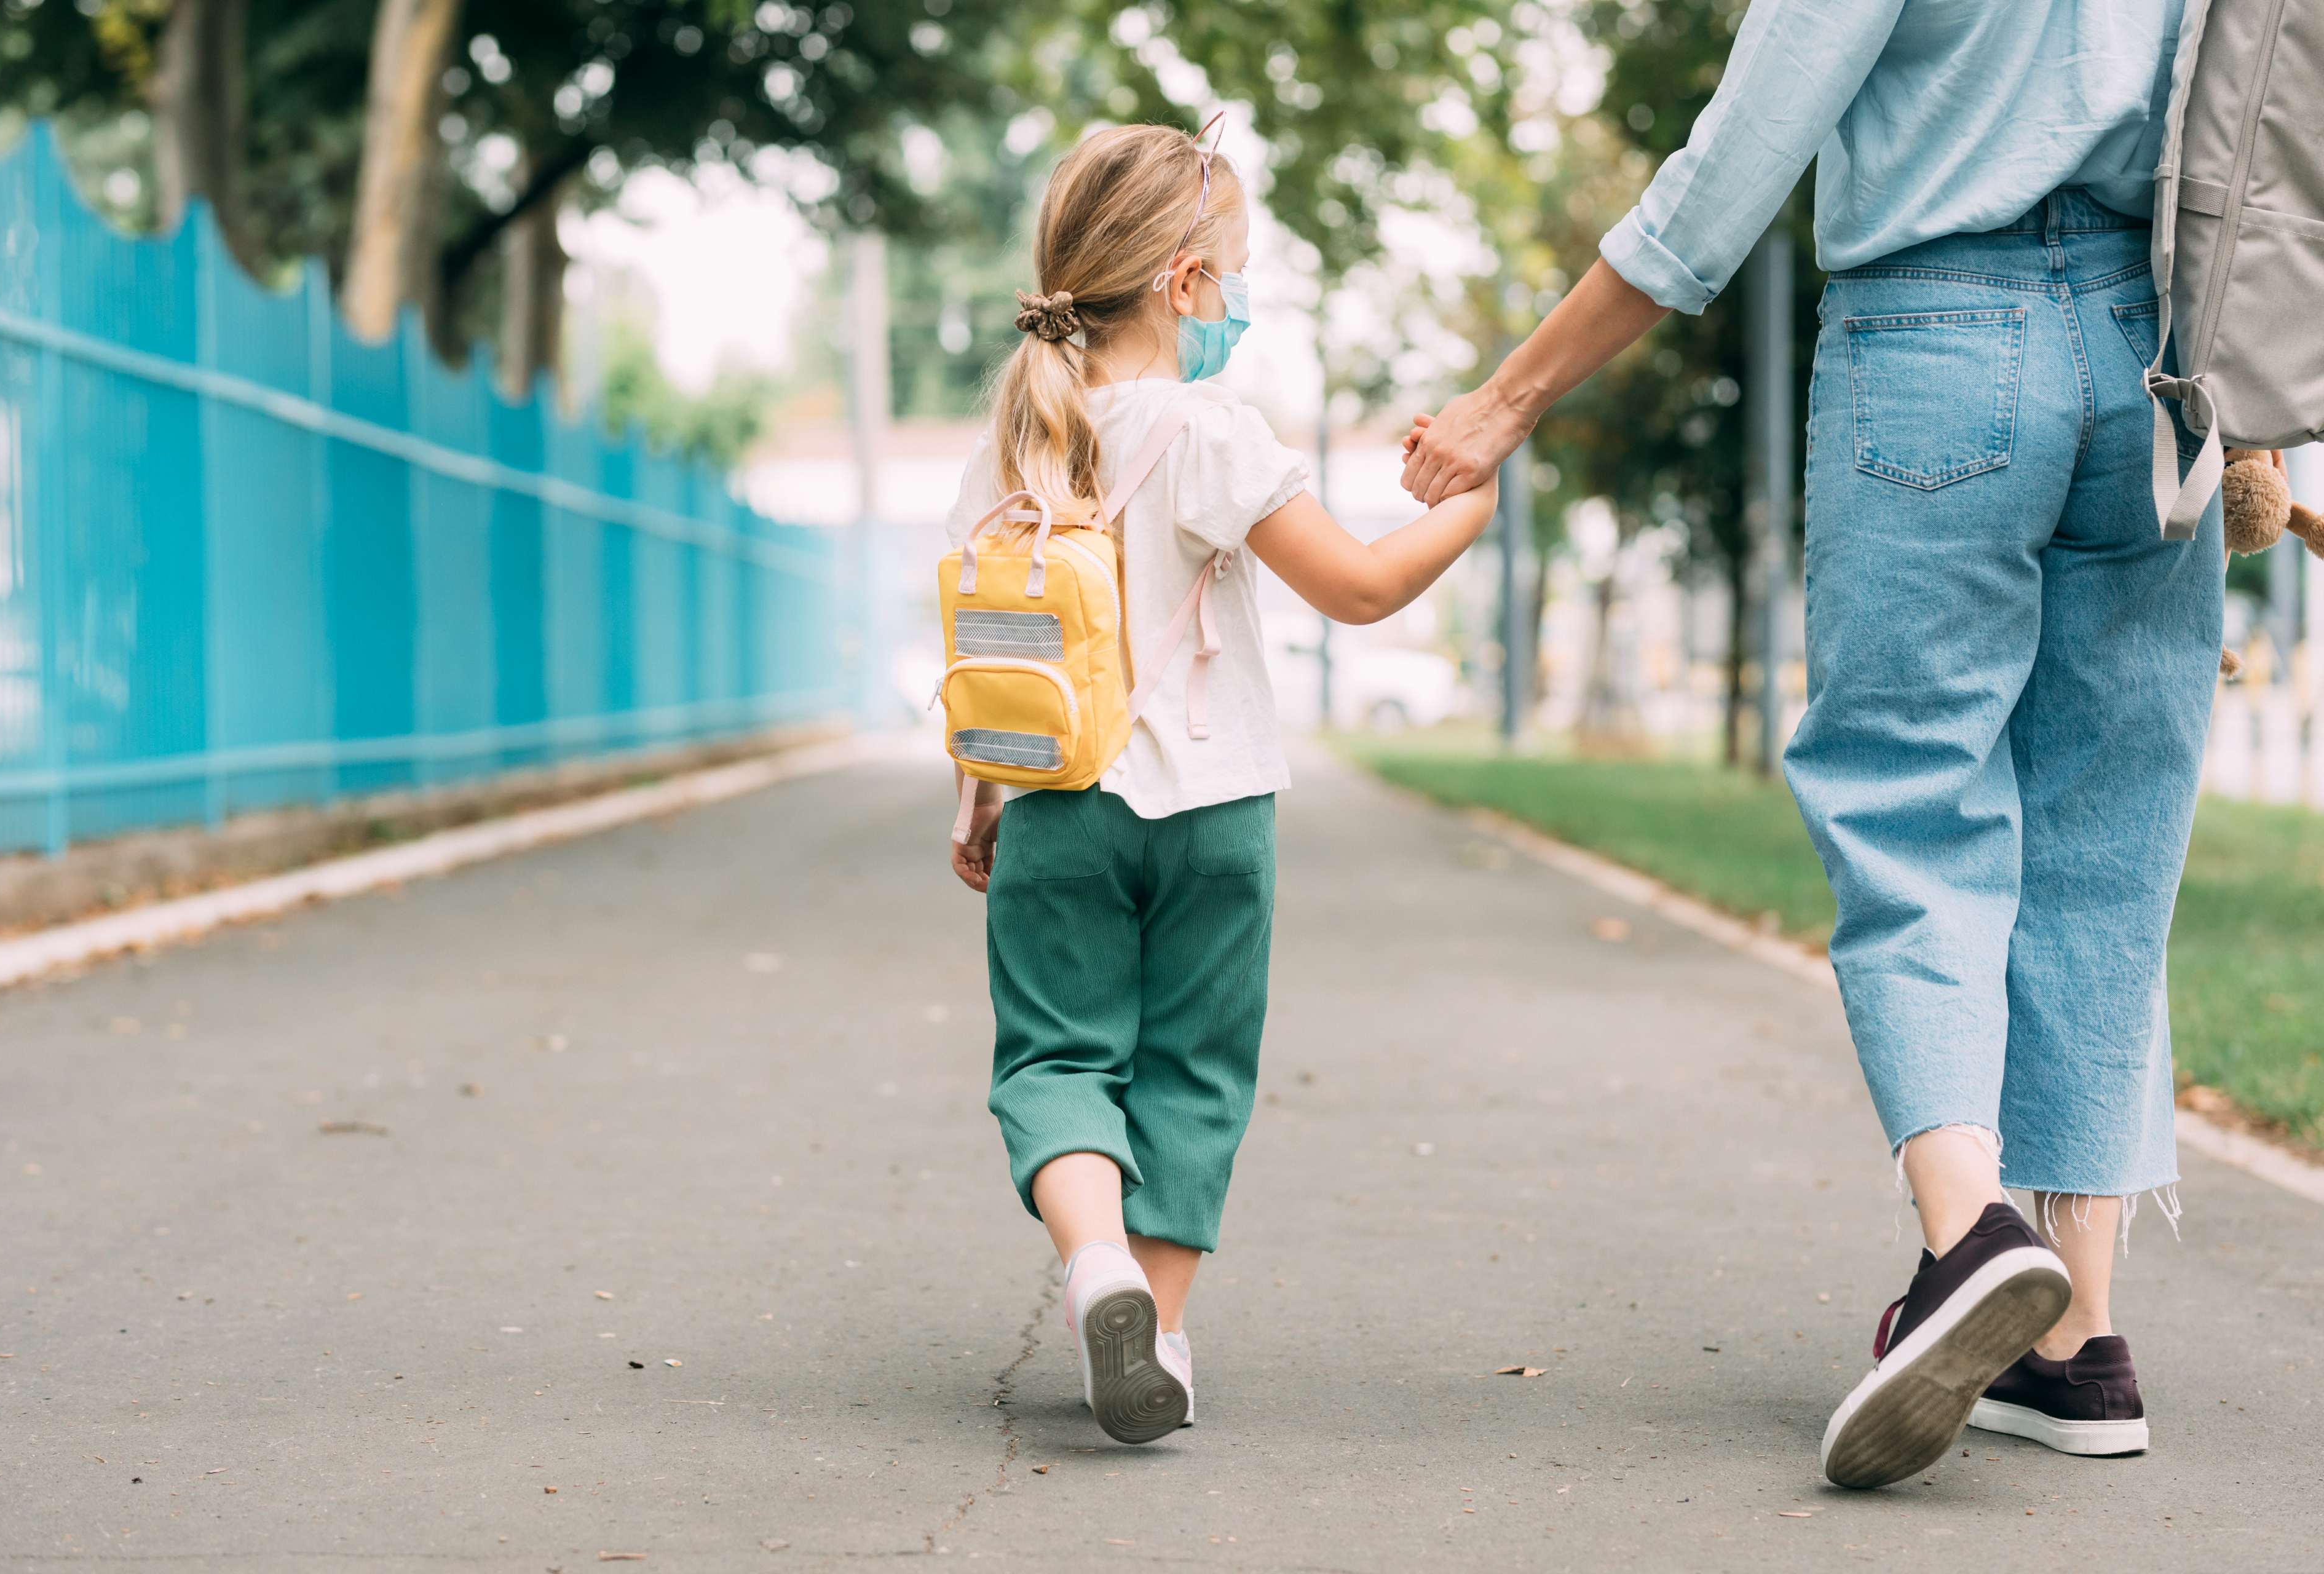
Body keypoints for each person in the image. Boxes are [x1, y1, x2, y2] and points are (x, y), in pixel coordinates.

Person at [1401, 1, 2213, 1489]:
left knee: (1909, 796)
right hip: (2158, 361)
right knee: (2106, 842)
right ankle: (2079, 1347)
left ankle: (1969, 1232)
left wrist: (1509, 394)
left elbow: (1736, 160)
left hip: (1936, 341)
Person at [946, 120, 1498, 1446]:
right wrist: (1469, 502)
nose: (1243, 302)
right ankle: (1163, 1335)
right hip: (1215, 813)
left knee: (1059, 1055)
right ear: (1185, 282)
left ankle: (1096, 1271)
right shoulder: (1209, 428)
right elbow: (1361, 587)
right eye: (1237, 272)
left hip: (1057, 804)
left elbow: (986, 639)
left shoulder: (1019, 434)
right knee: (1192, 1070)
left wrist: (978, 796)